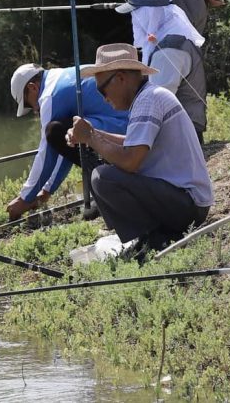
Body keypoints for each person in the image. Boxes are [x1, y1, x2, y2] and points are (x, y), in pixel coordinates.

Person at [67, 43, 214, 259]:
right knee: (104, 176)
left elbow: (130, 161)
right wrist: (92, 133)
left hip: (188, 205)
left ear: (120, 78)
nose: (103, 97)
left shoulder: (149, 99)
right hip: (187, 202)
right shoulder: (149, 95)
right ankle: (151, 236)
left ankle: (153, 239)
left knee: (103, 178)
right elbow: (132, 143)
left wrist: (89, 137)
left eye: (102, 89)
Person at [6, 63, 129, 220]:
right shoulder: (60, 76)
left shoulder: (49, 96)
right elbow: (64, 147)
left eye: (29, 105)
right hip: (124, 123)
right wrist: (46, 190)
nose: (35, 110)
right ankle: (107, 188)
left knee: (54, 130)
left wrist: (24, 199)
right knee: (62, 131)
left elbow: (46, 153)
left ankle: (111, 187)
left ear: (32, 88)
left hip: (125, 129)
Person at [115, 0, 207, 141]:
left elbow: (156, 102)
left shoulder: (169, 50)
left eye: (136, 12)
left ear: (150, 14)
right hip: (179, 130)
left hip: (181, 136)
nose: (133, 18)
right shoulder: (173, 37)